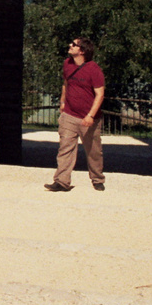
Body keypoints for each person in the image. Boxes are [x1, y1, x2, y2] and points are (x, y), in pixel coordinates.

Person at [45, 36, 106, 192]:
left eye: (74, 44)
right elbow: (66, 83)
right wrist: (62, 102)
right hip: (69, 115)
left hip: (89, 118)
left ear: (82, 51)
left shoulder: (94, 69)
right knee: (65, 149)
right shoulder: (67, 64)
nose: (69, 45)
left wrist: (91, 116)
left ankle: (97, 178)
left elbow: (100, 94)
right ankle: (61, 182)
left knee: (93, 151)